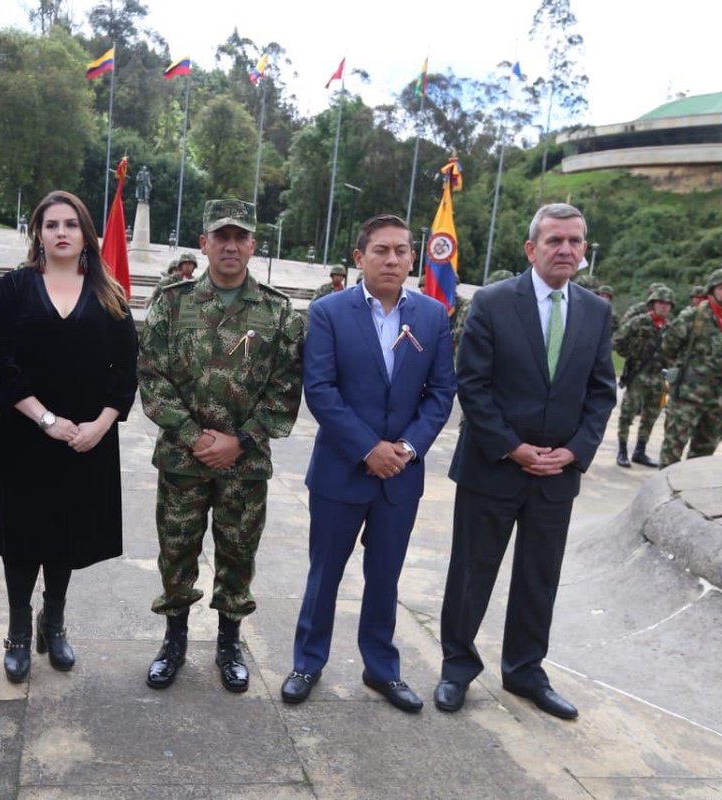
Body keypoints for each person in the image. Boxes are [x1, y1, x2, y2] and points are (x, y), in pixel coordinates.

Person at [436, 203, 616, 720]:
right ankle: (457, 668)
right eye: (555, 240)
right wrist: (512, 446)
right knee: (471, 574)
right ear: (531, 248)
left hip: (556, 474)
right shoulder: (492, 302)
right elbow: (472, 384)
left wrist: (575, 451)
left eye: (575, 241)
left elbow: (601, 392)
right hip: (492, 466)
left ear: (584, 250)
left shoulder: (595, 311)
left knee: (540, 577)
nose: (566, 249)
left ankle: (525, 670)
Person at [281, 214, 456, 711]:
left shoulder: (432, 316)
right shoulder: (329, 312)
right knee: (324, 574)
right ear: (360, 258)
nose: (392, 259)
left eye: (402, 251)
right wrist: (368, 449)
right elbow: (320, 389)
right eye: (381, 250)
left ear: (413, 258)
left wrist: (407, 448)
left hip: (401, 475)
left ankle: (381, 669)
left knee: (385, 577)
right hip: (341, 471)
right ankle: (307, 662)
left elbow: (441, 392)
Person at [139, 199, 304, 692]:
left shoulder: (277, 311)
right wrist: (195, 437)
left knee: (238, 554)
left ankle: (229, 642)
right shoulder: (173, 302)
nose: (231, 246)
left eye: (240, 237)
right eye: (221, 236)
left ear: (253, 245)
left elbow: (285, 389)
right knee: (176, 552)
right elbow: (152, 378)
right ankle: (174, 639)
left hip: (244, 464)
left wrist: (240, 441)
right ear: (204, 243)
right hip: (183, 460)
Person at [0, 191, 137, 683]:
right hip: (24, 434)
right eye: (51, 225)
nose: (61, 232)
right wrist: (45, 419)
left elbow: (125, 370)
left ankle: (55, 621)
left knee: (65, 533)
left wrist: (100, 426)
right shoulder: (16, 287)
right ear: (38, 234)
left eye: (71, 224)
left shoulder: (109, 294)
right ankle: (18, 630)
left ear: (86, 234)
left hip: (84, 438)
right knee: (22, 535)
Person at [659, 268, 722, 467]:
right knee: (673, 447)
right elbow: (668, 347)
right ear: (712, 290)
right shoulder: (693, 316)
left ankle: (692, 485)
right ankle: (666, 485)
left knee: (705, 451)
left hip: (720, 398)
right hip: (688, 395)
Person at [612, 286, 675, 468]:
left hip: (661, 378)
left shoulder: (673, 327)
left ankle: (640, 451)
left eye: (667, 304)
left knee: (651, 415)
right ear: (652, 304)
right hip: (639, 375)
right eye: (660, 303)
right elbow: (618, 340)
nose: (664, 306)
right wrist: (630, 355)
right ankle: (622, 451)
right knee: (627, 413)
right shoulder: (639, 322)